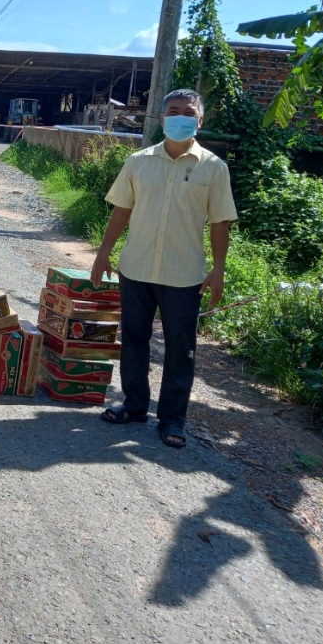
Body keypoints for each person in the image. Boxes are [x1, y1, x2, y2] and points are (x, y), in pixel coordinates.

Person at [90, 89, 237, 448]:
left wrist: (218, 269)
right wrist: (102, 253)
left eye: (189, 112)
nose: (180, 116)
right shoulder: (139, 162)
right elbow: (122, 210)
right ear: (161, 118)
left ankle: (172, 420)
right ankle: (135, 406)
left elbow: (220, 222)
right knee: (135, 341)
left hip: (184, 275)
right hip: (136, 268)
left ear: (200, 120)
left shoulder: (214, 168)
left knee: (180, 350)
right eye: (173, 111)